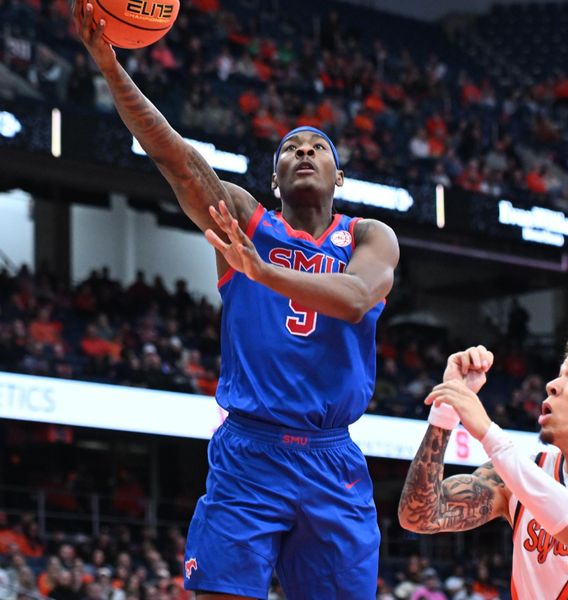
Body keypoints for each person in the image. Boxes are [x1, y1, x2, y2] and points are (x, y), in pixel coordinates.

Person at [73, 4, 399, 599]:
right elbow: (174, 157)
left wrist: (262, 271)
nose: (303, 152)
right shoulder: (243, 218)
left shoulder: (370, 236)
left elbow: (354, 300)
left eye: (317, 147)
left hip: (333, 459)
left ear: (339, 177)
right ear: (274, 179)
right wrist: (110, 66)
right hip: (250, 452)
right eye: (291, 148)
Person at [399, 330, 568, 599]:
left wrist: (489, 433)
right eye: (559, 375)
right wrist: (447, 410)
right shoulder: (513, 476)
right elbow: (420, 516)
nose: (552, 385)